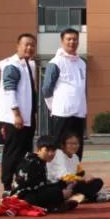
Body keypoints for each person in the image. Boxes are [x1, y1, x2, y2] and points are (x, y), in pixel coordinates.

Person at [0, 33, 38, 196]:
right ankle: (7, 186)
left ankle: (20, 183)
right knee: (12, 153)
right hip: (15, 118)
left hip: (27, 118)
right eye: (26, 44)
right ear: (18, 46)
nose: (29, 48)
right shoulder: (12, 65)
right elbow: (9, 90)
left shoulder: (29, 64)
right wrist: (16, 114)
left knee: (25, 153)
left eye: (32, 45)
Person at [42, 28, 87, 160]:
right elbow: (46, 88)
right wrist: (53, 106)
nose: (72, 42)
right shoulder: (55, 62)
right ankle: (59, 171)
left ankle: (75, 170)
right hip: (62, 113)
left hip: (78, 113)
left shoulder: (81, 63)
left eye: (75, 39)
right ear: (62, 41)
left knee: (76, 146)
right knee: (60, 146)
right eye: (69, 39)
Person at [11, 136, 81, 212]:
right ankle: (53, 207)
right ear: (38, 150)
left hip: (32, 193)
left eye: (53, 151)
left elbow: (41, 185)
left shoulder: (40, 161)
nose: (50, 153)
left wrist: (63, 184)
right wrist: (60, 193)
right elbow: (32, 188)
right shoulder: (32, 163)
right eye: (47, 150)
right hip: (23, 197)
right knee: (56, 192)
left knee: (61, 185)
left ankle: (56, 205)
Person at [47, 132, 110, 203]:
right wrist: (82, 179)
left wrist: (88, 177)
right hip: (56, 185)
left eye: (76, 144)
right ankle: (91, 197)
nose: (74, 146)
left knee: (97, 182)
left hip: (70, 185)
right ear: (63, 145)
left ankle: (80, 197)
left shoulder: (75, 157)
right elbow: (64, 177)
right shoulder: (59, 154)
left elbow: (80, 173)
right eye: (71, 143)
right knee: (79, 185)